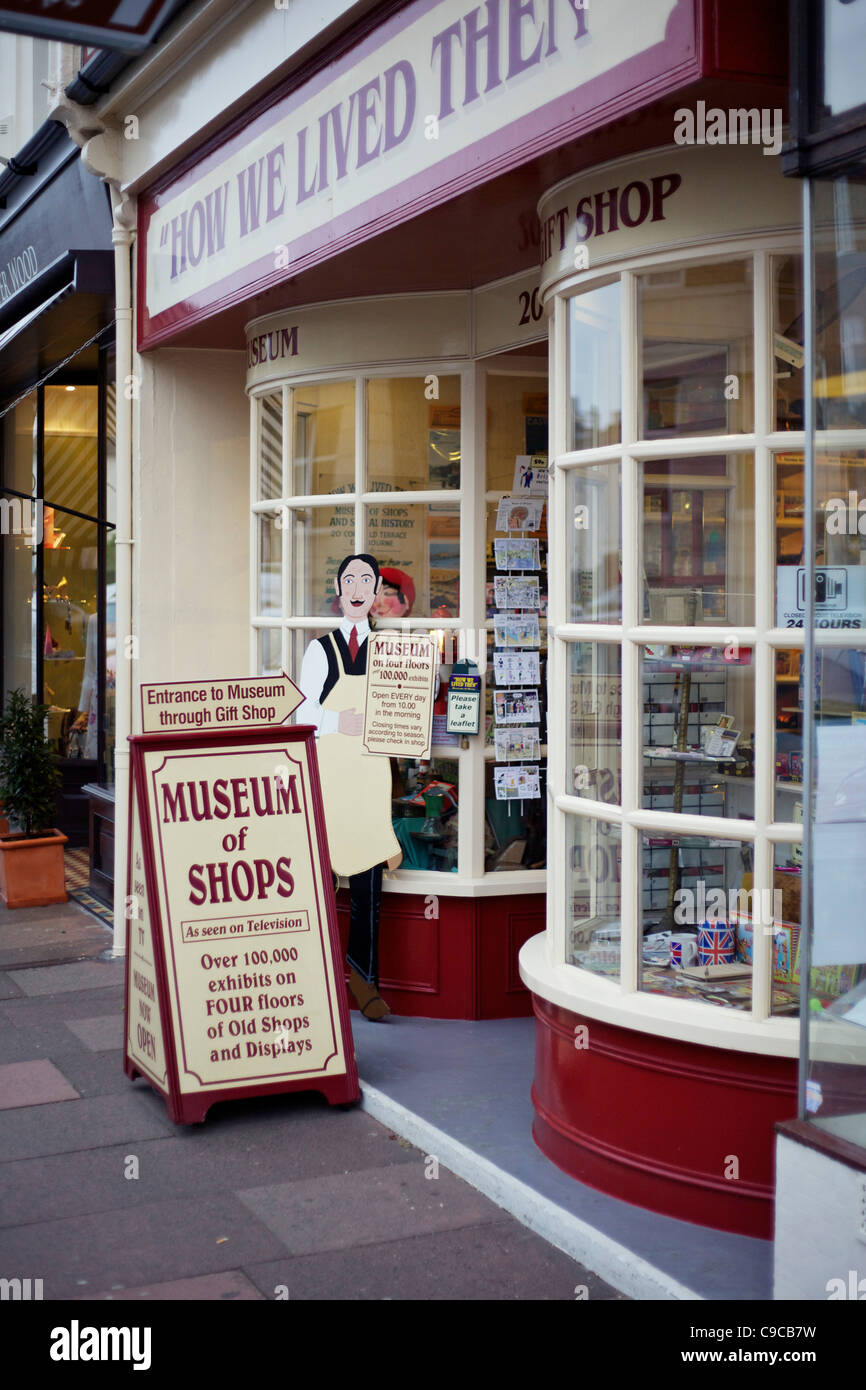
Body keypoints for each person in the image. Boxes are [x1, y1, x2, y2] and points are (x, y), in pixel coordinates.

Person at [297, 554, 402, 1021]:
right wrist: (339, 720)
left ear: (377, 589)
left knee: (367, 888)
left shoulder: (393, 651)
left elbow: (402, 710)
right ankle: (313, 979)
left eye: (367, 580)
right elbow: (301, 716)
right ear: (339, 591)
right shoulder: (320, 650)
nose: (358, 588)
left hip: (369, 779)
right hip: (330, 778)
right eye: (349, 580)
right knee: (321, 884)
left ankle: (364, 981)